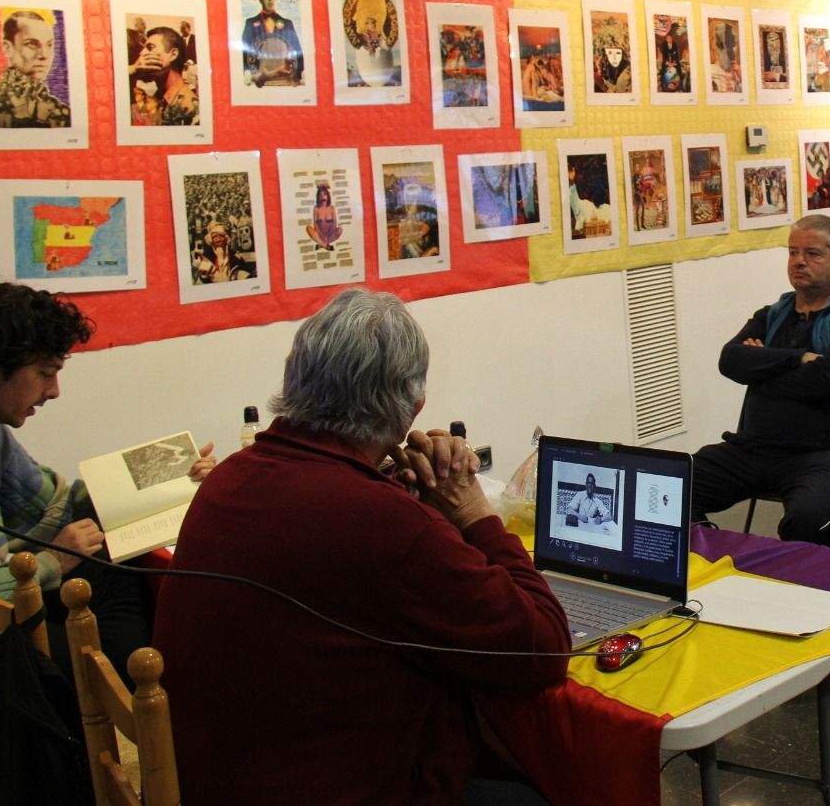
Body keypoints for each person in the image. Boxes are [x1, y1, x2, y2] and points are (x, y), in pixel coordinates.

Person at [153, 289, 568, 804]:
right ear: (411, 410)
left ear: (296, 377)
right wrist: (472, 513)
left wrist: (390, 492)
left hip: (217, 779)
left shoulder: (229, 476)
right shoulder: (383, 523)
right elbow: (543, 646)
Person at [0, 281, 214, 703]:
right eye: (44, 373)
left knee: (114, 557)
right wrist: (51, 562)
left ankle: (138, 703)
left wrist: (176, 479)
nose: (54, 391)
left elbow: (56, 505)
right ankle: (138, 707)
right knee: (80, 659)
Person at [691, 215, 830, 546]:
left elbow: (829, 377)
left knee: (807, 520)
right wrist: (797, 358)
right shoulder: (774, 313)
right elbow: (730, 360)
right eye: (792, 252)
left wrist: (761, 370)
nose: (799, 261)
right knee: (668, 486)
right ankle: (712, 555)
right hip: (753, 448)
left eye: (812, 253)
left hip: (821, 455)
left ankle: (802, 577)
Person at [0, 9, 70, 128]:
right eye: (32, 44)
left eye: (49, 45)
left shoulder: (56, 108)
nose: (44, 55)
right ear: (7, 48)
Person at [128, 25, 199, 127]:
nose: (142, 53)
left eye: (150, 47)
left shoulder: (188, 106)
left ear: (173, 54)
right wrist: (132, 70)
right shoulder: (161, 96)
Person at [240, 0, 306, 88]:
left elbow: (298, 51)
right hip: (259, 79)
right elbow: (244, 51)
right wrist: (246, 72)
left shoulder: (287, 23)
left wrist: (300, 73)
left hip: (284, 79)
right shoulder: (250, 23)